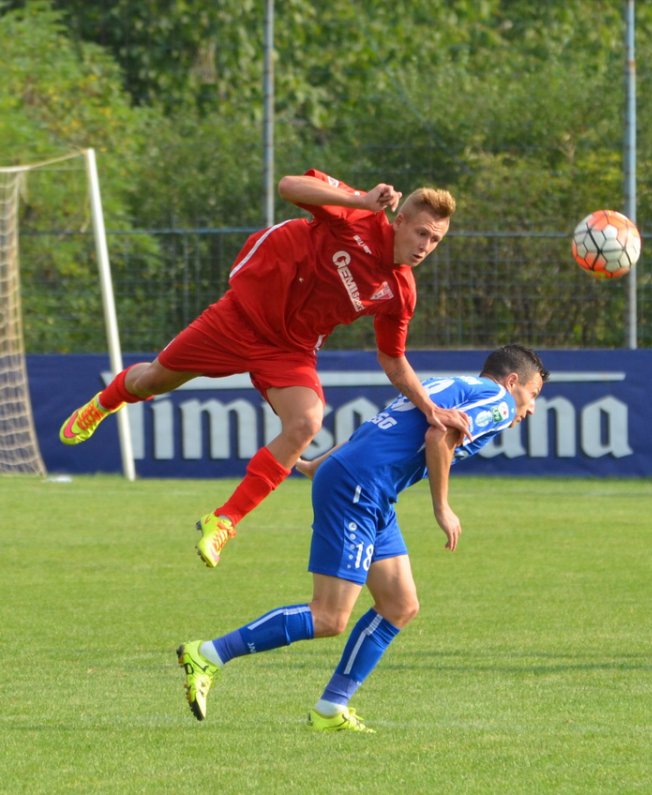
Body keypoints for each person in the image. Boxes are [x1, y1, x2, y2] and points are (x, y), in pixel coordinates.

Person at [58, 169, 469, 568]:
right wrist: (357, 198)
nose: (426, 246)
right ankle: (104, 402)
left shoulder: (400, 291)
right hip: (239, 318)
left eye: (435, 240)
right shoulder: (359, 215)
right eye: (421, 233)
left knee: (306, 422)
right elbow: (290, 186)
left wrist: (429, 408)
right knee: (152, 380)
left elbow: (393, 359)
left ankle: (224, 520)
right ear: (400, 221)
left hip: (289, 349)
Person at [175, 344, 548, 732]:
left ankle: (330, 707)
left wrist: (320, 464)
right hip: (360, 487)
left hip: (367, 486)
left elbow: (380, 428)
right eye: (533, 394)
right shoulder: (498, 401)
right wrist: (442, 506)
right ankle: (209, 654)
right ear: (511, 381)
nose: (531, 408)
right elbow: (440, 438)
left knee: (399, 605)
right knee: (329, 616)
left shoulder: (447, 384)